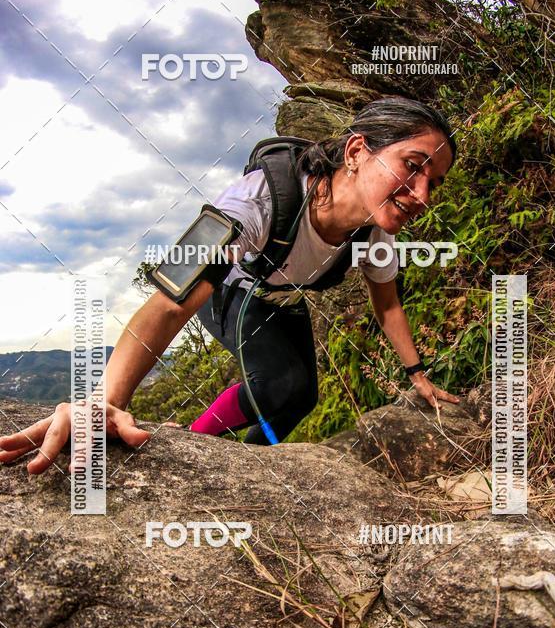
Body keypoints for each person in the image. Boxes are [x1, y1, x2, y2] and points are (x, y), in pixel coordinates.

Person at [0, 96, 460, 473]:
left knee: (302, 398)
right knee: (279, 384)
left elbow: (388, 306)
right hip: (230, 292)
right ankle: (197, 444)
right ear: (357, 152)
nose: (421, 196)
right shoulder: (263, 199)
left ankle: (246, 464)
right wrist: (103, 403)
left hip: (281, 298)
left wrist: (416, 375)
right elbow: (171, 302)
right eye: (411, 166)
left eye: (434, 183)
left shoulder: (375, 232)